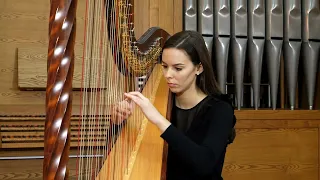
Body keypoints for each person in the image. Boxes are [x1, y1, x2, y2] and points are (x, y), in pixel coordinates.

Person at [112, 30, 235, 180]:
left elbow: (204, 164)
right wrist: (118, 121)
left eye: (178, 68)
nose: (168, 74)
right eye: (164, 66)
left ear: (199, 68)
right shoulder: (158, 101)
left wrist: (158, 120)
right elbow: (119, 152)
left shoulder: (220, 110)